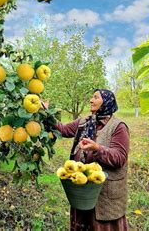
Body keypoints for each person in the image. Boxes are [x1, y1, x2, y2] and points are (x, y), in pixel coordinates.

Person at [53, 89, 130, 231]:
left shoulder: (118, 126)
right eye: (91, 97)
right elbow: (63, 129)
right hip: (82, 190)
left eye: (96, 97)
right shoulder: (85, 122)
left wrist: (97, 149)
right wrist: (46, 112)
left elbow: (120, 158)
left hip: (105, 196)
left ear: (106, 102)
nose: (91, 100)